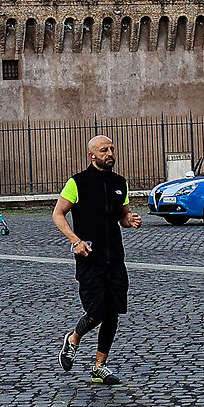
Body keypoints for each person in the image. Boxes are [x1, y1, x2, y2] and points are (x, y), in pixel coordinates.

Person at [53, 135, 138, 385]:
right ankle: (73, 339)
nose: (110, 153)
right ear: (92, 155)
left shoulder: (119, 183)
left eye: (112, 149)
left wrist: (129, 220)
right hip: (90, 258)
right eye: (104, 150)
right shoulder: (77, 182)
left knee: (112, 313)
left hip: (115, 258)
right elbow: (58, 215)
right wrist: (75, 241)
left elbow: (122, 215)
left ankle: (100, 366)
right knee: (97, 310)